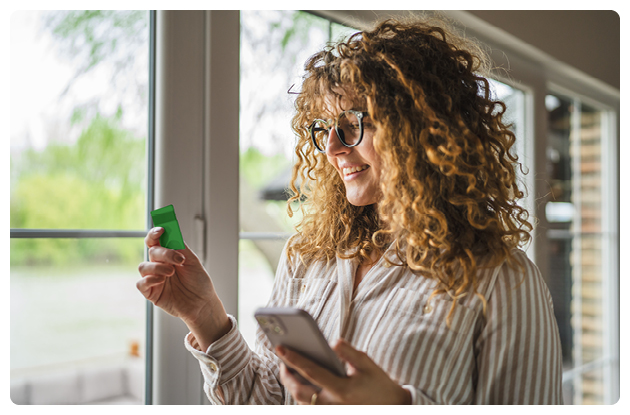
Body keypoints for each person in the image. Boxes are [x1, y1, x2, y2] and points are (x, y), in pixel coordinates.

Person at [137, 16, 564, 405]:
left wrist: (396, 406)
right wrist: (205, 314)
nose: (331, 148)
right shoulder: (305, 258)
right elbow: (267, 400)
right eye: (323, 128)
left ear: (422, 130)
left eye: (352, 123)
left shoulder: (502, 282)